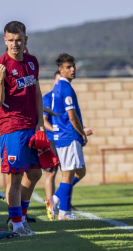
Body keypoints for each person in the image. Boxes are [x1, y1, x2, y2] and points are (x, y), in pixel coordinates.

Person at [0, 21, 44, 236]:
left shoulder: (32, 62)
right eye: (10, 40)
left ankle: (18, 217)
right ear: (5, 40)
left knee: (36, 173)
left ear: (25, 40)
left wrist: (40, 122)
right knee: (15, 177)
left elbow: (38, 93)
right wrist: (1, 79)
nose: (15, 43)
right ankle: (19, 225)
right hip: (12, 127)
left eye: (18, 39)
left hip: (32, 126)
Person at [51, 53, 90, 220]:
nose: (73, 69)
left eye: (73, 66)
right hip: (68, 136)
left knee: (80, 171)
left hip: (66, 136)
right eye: (68, 67)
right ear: (61, 69)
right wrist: (82, 134)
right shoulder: (65, 87)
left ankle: (54, 200)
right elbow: (71, 115)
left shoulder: (60, 87)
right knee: (67, 175)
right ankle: (64, 213)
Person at [43, 71, 61, 220]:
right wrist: (58, 130)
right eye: (58, 80)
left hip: (66, 139)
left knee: (73, 172)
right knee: (51, 173)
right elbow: (44, 120)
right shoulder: (48, 98)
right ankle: (50, 205)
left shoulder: (66, 97)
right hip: (52, 140)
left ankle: (63, 202)